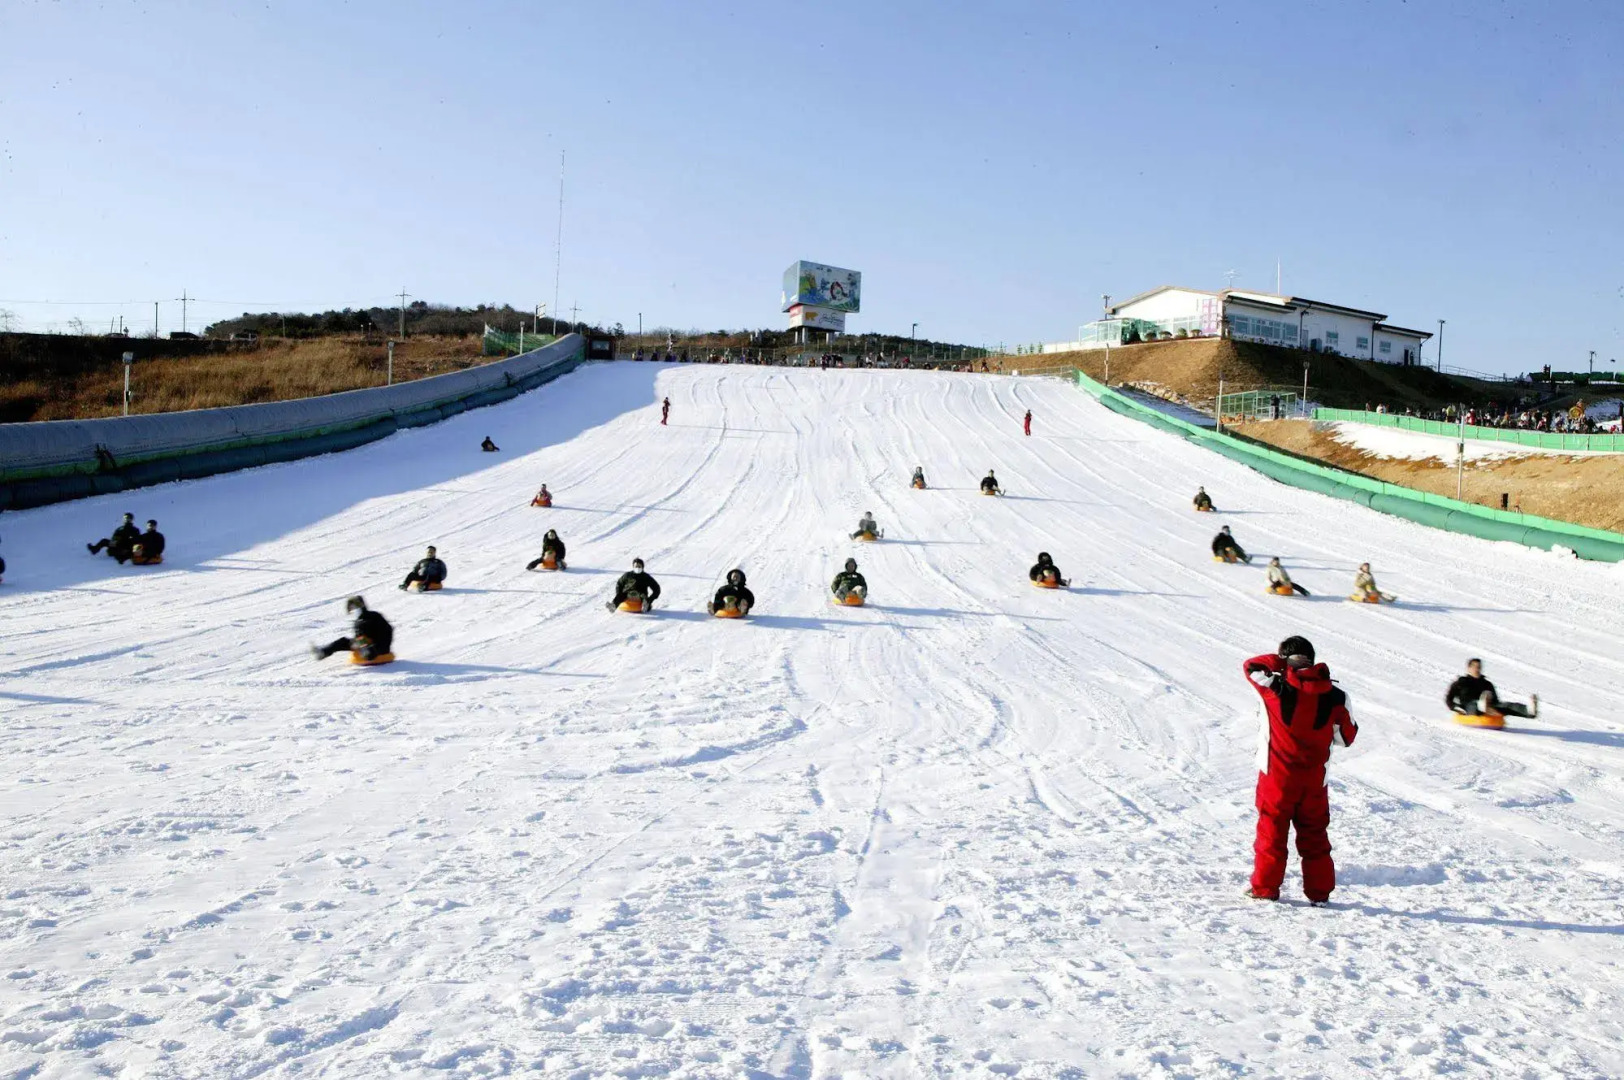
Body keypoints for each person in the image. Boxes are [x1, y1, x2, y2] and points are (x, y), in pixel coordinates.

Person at [1242, 635, 1358, 904]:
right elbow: (1347, 737)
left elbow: (1251, 666)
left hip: (1277, 778)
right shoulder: (1337, 696)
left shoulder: (1275, 686)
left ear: (1285, 660)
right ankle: (1319, 894)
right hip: (1314, 780)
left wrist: (1280, 663)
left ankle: (1265, 889)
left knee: (1271, 834)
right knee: (1315, 837)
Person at [1447, 658, 1537, 718]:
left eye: (1479, 667)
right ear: (1469, 668)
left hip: (1489, 708)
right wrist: (1457, 708)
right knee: (1474, 704)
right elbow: (1449, 699)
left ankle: (1528, 711)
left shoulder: (1487, 683)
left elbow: (1496, 701)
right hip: (1468, 707)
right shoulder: (1461, 682)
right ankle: (1482, 705)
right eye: (1475, 667)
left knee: (1507, 705)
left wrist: (1498, 709)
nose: (1477, 669)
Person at [312, 596, 394, 662]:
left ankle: (368, 653)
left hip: (379, 647)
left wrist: (377, 645)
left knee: (368, 646)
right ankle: (323, 652)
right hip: (364, 646)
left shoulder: (373, 616)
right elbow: (360, 638)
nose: (352, 612)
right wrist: (355, 642)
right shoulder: (359, 621)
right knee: (343, 641)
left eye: (353, 608)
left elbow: (387, 631)